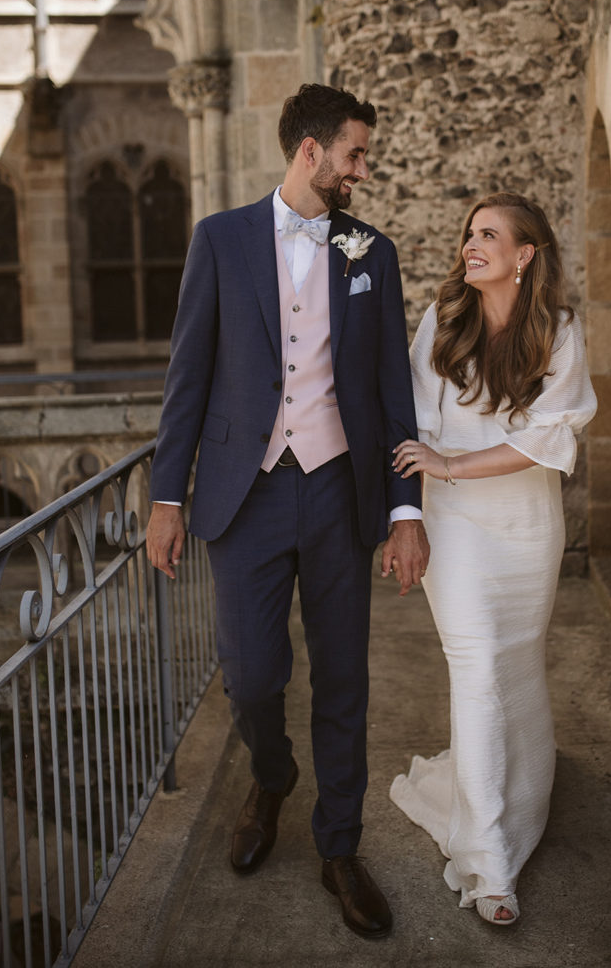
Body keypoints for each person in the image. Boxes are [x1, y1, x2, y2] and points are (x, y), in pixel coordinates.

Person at [146, 83, 429, 941]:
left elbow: (391, 388)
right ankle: (271, 775)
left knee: (344, 677)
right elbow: (187, 376)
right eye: (355, 154)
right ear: (311, 152)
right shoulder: (220, 239)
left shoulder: (371, 253)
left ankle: (338, 846)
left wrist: (406, 506)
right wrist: (166, 495)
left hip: (341, 493)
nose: (363, 170)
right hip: (247, 491)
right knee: (253, 673)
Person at [389, 192, 596, 928]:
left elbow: (548, 440)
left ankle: (520, 799)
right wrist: (412, 503)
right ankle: (490, 864)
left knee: (515, 664)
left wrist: (451, 463)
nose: (471, 244)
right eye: (468, 233)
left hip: (527, 524)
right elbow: (412, 429)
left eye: (488, 234)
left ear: (525, 254)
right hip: (457, 531)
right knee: (476, 670)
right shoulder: (441, 323)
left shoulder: (559, 332)